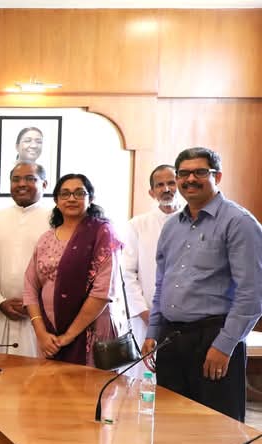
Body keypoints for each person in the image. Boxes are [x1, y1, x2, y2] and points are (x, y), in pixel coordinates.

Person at [142, 147, 262, 422]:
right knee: (170, 424)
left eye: (200, 172)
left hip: (213, 339)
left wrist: (225, 345)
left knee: (216, 428)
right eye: (183, 174)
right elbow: (162, 284)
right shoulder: (172, 226)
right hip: (171, 339)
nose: (190, 179)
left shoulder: (239, 222)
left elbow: (252, 294)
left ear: (217, 176)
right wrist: (153, 331)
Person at [23, 174, 121, 366]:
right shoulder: (46, 238)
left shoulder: (102, 233)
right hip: (50, 335)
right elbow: (30, 287)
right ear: (56, 201)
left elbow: (103, 291)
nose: (71, 198)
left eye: (79, 193)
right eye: (65, 194)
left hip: (90, 330)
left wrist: (68, 336)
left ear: (91, 199)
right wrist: (41, 333)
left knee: (88, 384)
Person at [0, 162, 52, 357]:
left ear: (44, 184)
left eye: (30, 179)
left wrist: (35, 304)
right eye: (16, 179)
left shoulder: (56, 221)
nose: (21, 184)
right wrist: (0, 302)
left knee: (35, 373)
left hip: (39, 318)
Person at [122, 164, 179, 338]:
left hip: (187, 318)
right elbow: (127, 272)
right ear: (152, 192)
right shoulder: (137, 224)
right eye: (160, 185)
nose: (166, 189)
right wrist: (143, 311)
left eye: (171, 183)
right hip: (146, 316)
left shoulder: (196, 222)